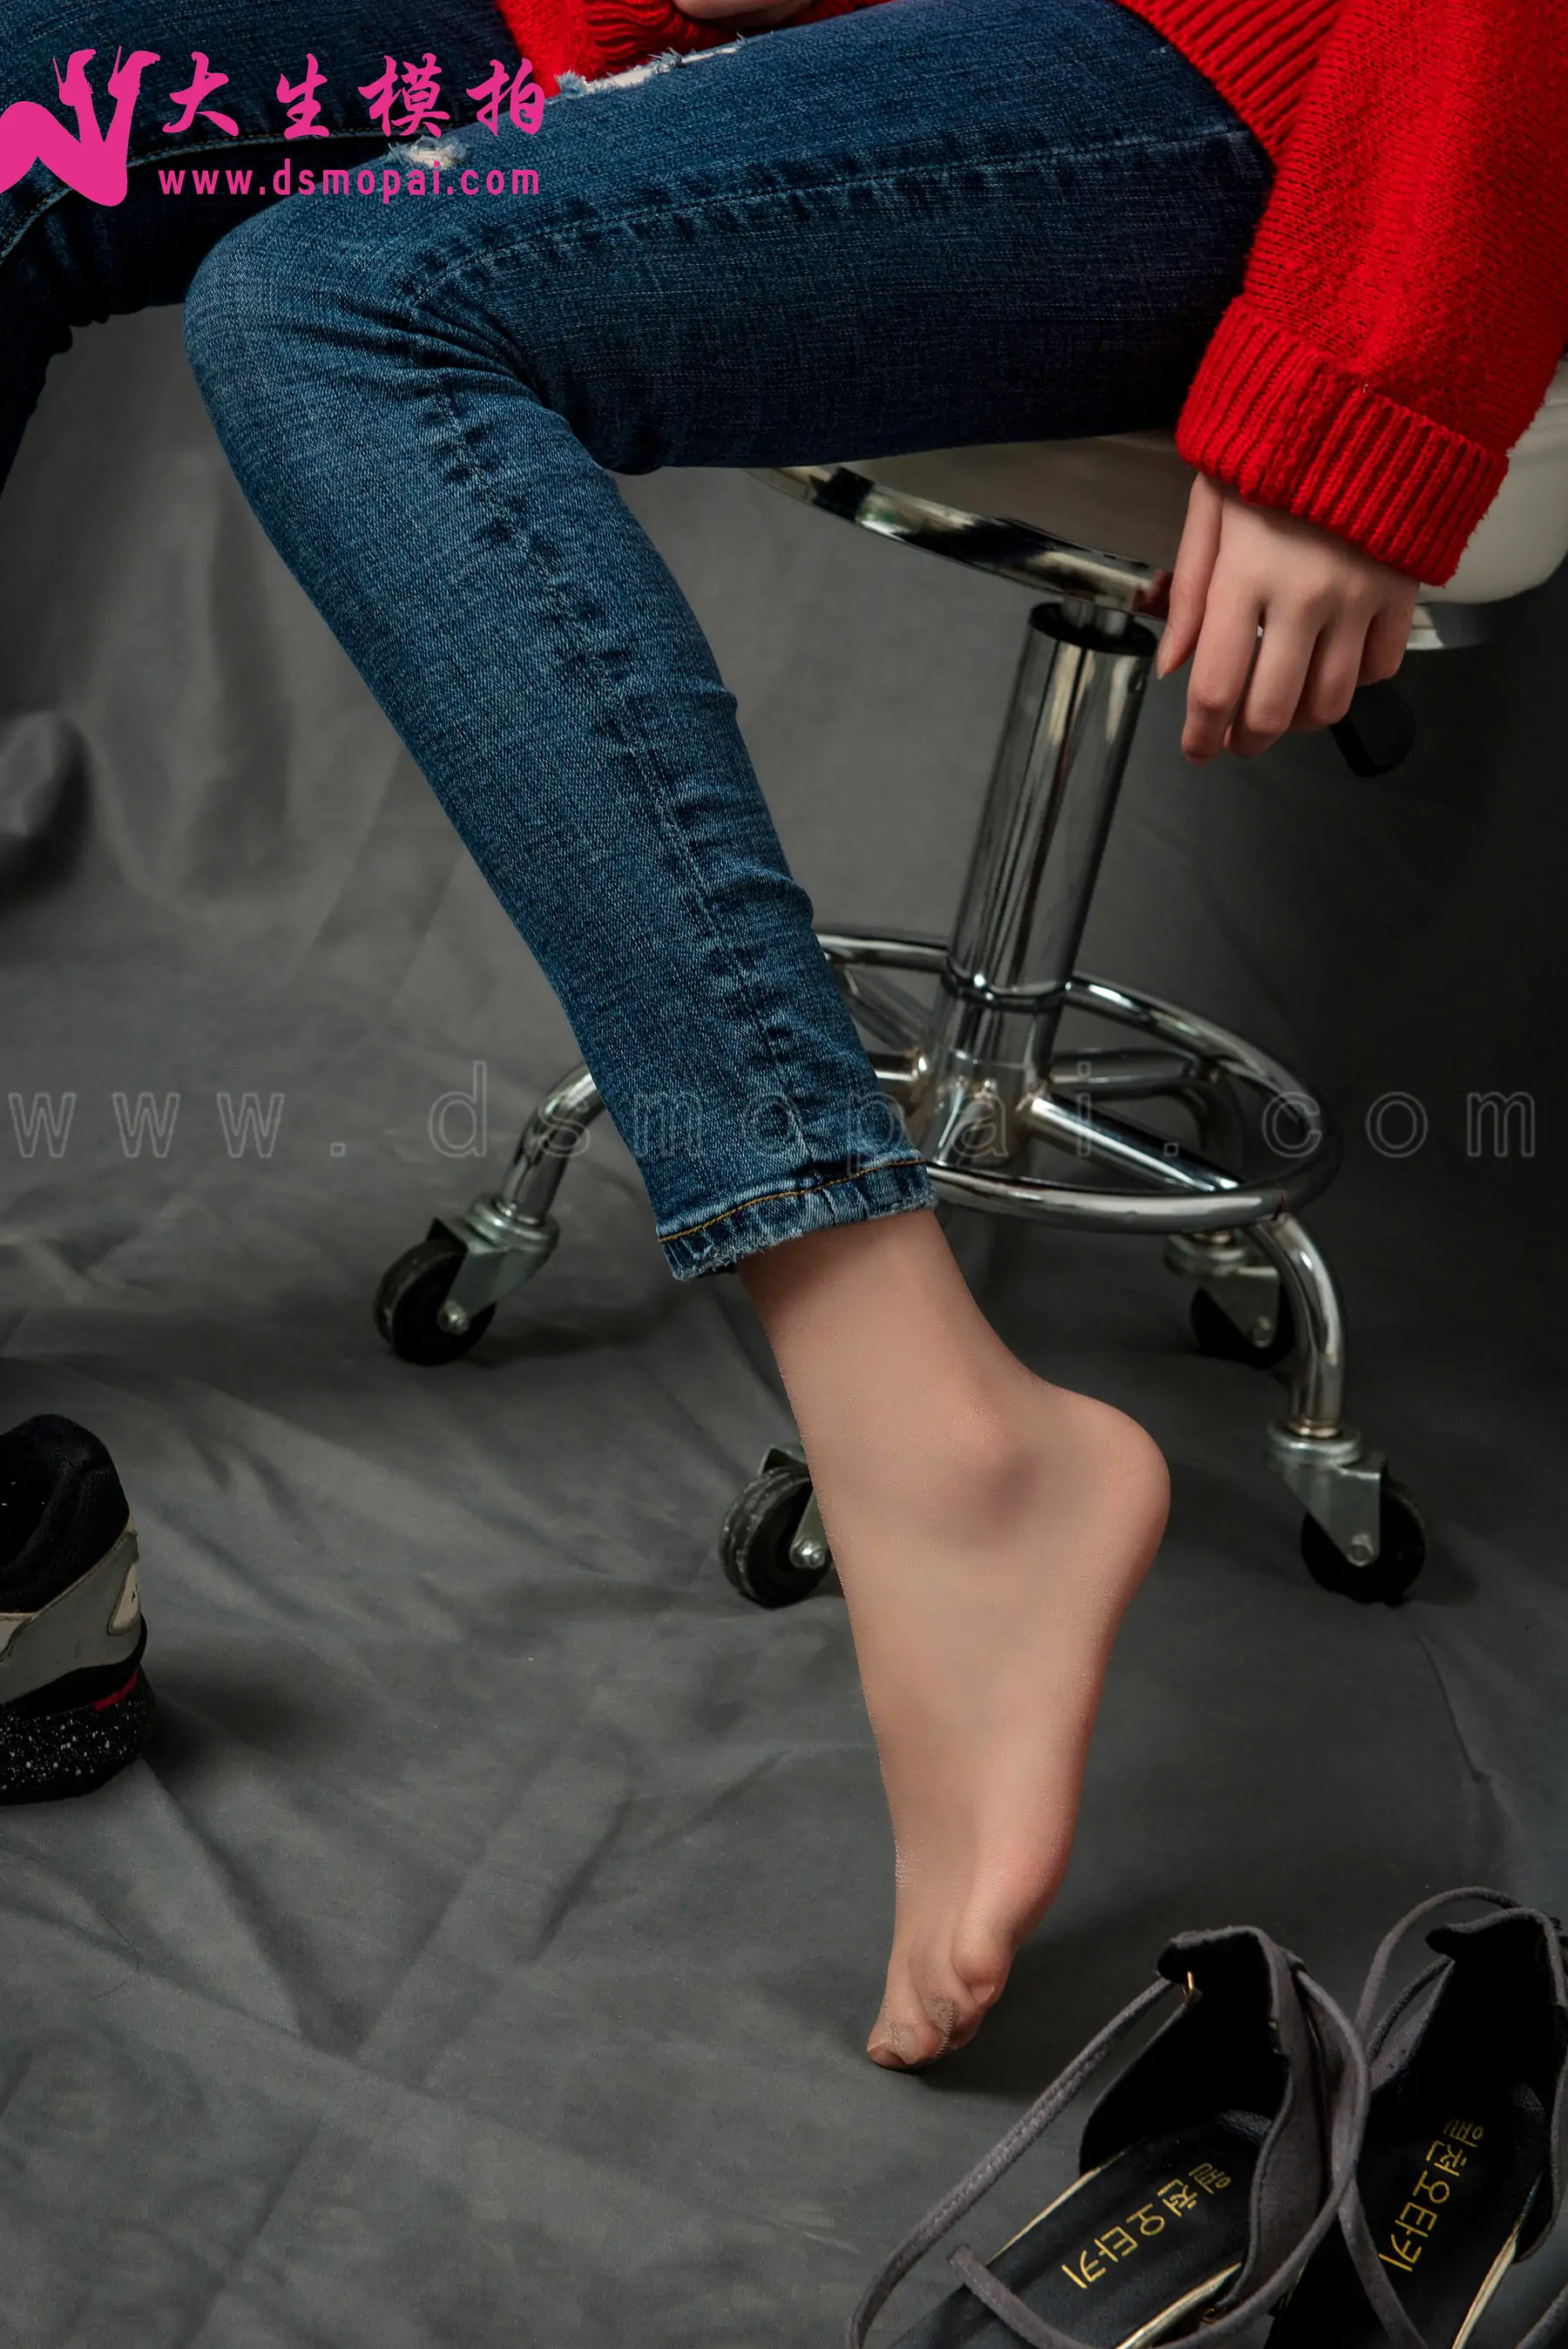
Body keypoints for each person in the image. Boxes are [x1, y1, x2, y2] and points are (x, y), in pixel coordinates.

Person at [6, 0, 1565, 2061]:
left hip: (1275, 72)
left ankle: (932, 1429)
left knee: (338, 305)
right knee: (24, 104)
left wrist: (1377, 362)